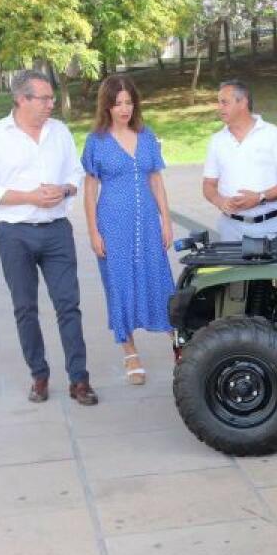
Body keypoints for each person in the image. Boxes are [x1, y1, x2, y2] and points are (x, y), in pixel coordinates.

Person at [0, 70, 97, 405]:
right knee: (25, 307)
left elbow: (76, 174)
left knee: (68, 306)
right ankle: (39, 376)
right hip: (13, 233)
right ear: (21, 98)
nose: (50, 105)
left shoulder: (59, 132)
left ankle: (79, 379)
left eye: (51, 98)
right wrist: (30, 197)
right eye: (43, 98)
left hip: (56, 231)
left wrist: (64, 189)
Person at [81, 75, 174, 385]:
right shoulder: (97, 141)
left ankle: (178, 344)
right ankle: (129, 351)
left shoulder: (146, 136)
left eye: (129, 102)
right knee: (119, 283)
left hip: (147, 222)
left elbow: (156, 180)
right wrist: (93, 231)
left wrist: (166, 220)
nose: (124, 109)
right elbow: (90, 188)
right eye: (117, 103)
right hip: (113, 224)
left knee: (159, 278)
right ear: (106, 105)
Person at [203, 79, 277, 242]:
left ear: (243, 102)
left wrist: (260, 197)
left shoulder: (273, 134)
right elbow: (208, 184)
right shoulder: (217, 140)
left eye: (224, 102)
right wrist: (220, 201)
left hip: (266, 228)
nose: (219, 108)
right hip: (229, 228)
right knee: (232, 269)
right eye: (219, 103)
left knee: (267, 269)